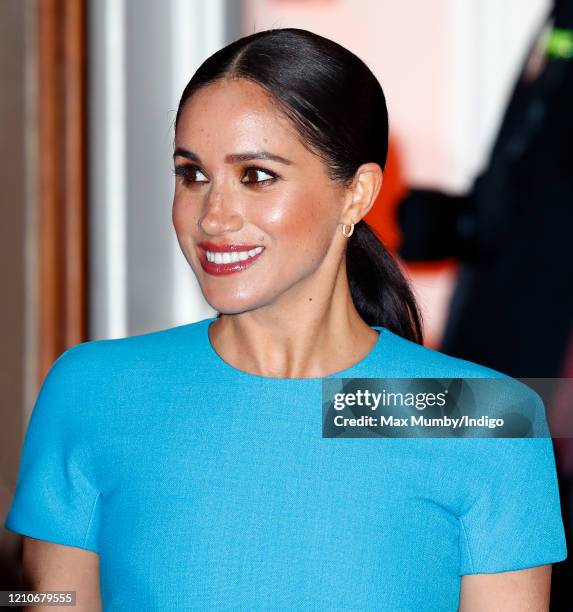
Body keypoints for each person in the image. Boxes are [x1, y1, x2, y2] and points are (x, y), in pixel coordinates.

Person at [4, 28, 567, 611]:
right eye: (192, 175)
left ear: (356, 194)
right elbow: (49, 599)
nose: (214, 217)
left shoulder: (481, 416)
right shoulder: (93, 390)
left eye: (256, 175)